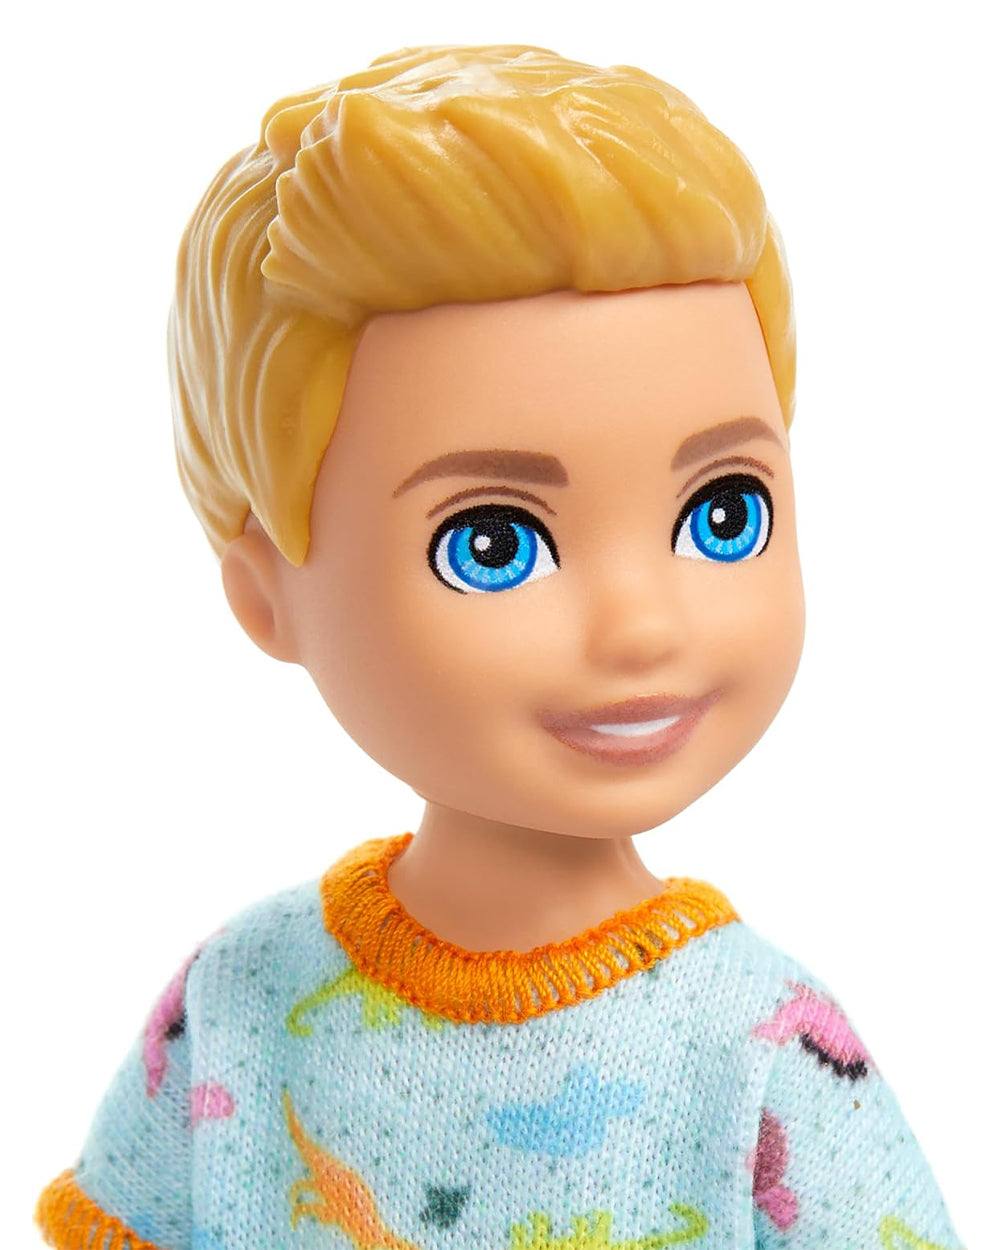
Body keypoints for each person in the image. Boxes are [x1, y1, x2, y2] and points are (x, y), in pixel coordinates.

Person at [35, 45, 962, 1250]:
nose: (641, 624)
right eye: (492, 543)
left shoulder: (762, 1052)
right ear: (265, 593)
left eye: (722, 513)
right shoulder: (242, 999)